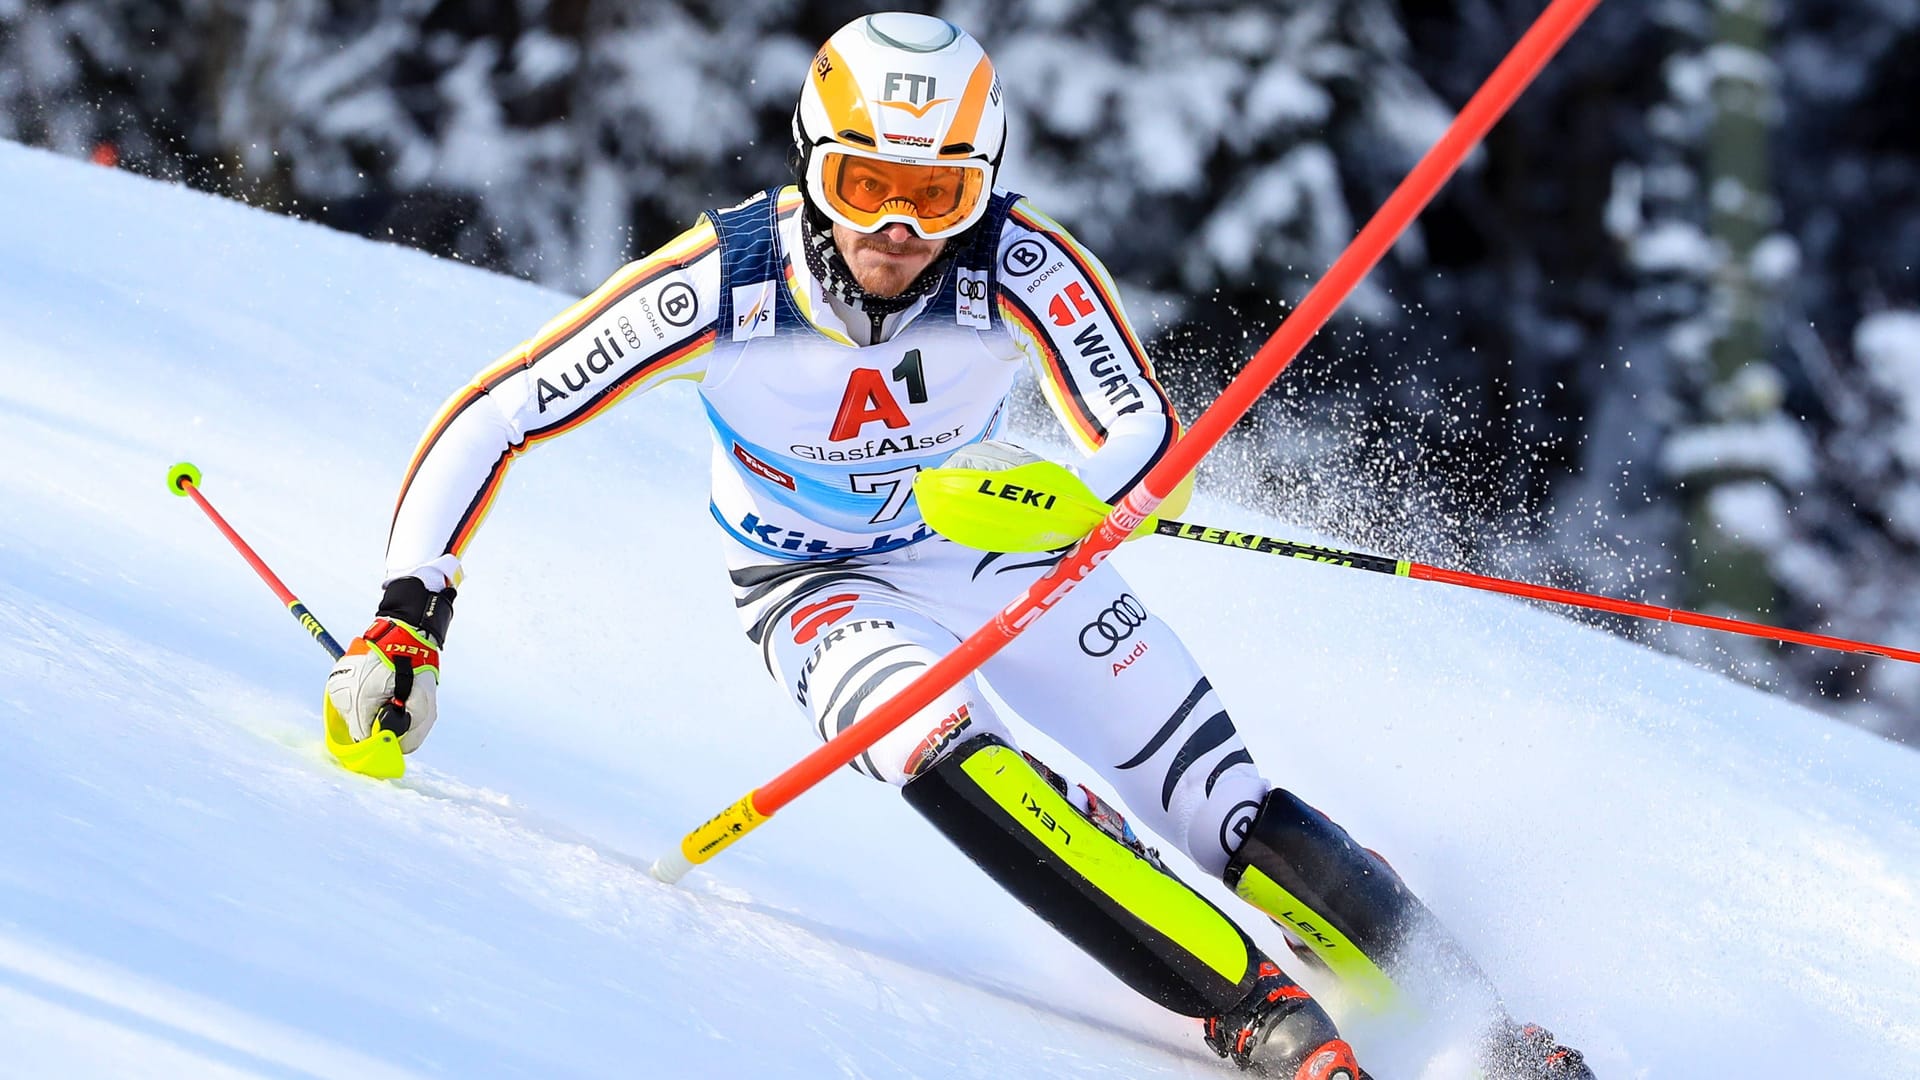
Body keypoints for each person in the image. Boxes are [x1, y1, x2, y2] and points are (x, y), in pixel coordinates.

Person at [324, 13, 1593, 1079]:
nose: (897, 227)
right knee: (932, 739)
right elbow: (502, 413)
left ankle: (1485, 1033)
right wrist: (406, 616)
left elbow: (1138, 434)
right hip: (807, 583)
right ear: (814, 169)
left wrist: (1070, 498)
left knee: (1219, 806)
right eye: (864, 185)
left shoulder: (1018, 265)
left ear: (981, 188)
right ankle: (1262, 1018)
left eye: (937, 194)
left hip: (981, 550)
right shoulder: (724, 281)